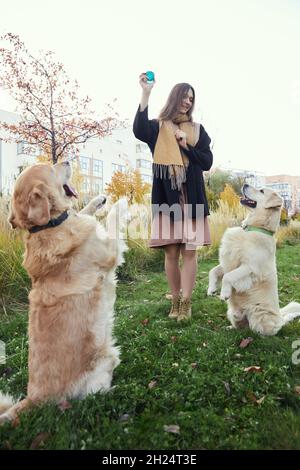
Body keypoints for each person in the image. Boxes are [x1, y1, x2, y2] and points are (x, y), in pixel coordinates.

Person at [133, 73, 213, 321]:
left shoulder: (198, 130)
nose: (188, 102)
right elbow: (138, 130)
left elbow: (207, 162)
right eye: (184, 97)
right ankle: (175, 300)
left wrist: (186, 144)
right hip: (167, 198)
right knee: (171, 253)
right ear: (174, 98)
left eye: (191, 98)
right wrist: (146, 92)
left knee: (190, 251)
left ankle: (187, 303)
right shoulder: (158, 127)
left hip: (192, 197)